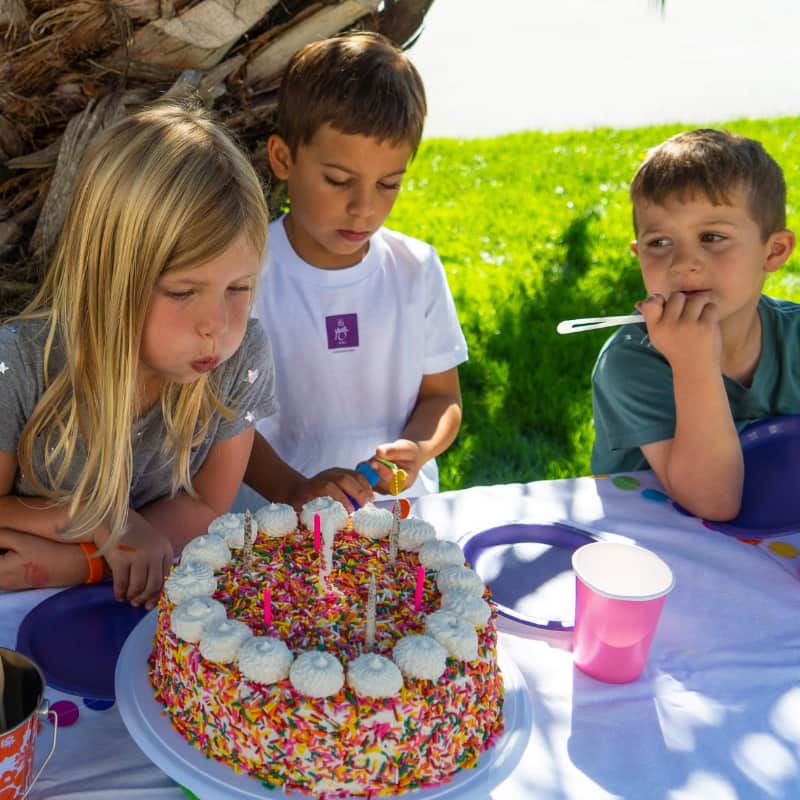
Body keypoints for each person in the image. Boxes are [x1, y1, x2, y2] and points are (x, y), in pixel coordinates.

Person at [0, 102, 277, 608]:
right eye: (181, 291)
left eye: (239, 287)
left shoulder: (241, 358)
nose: (216, 324)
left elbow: (208, 504)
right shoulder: (19, 366)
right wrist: (104, 522)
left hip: (139, 603)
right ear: (108, 277)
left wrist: (87, 560)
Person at [243, 31, 468, 508]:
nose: (364, 208)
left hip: (396, 515)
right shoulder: (242, 273)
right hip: (272, 518)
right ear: (283, 158)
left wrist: (420, 447)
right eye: (338, 181)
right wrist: (293, 489)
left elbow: (442, 397)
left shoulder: (417, 269)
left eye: (389, 184)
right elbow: (216, 420)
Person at [591, 128, 797, 520]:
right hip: (664, 557)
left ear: (774, 251)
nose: (684, 262)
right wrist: (694, 363)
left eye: (712, 236)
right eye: (660, 243)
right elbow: (713, 502)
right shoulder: (631, 362)